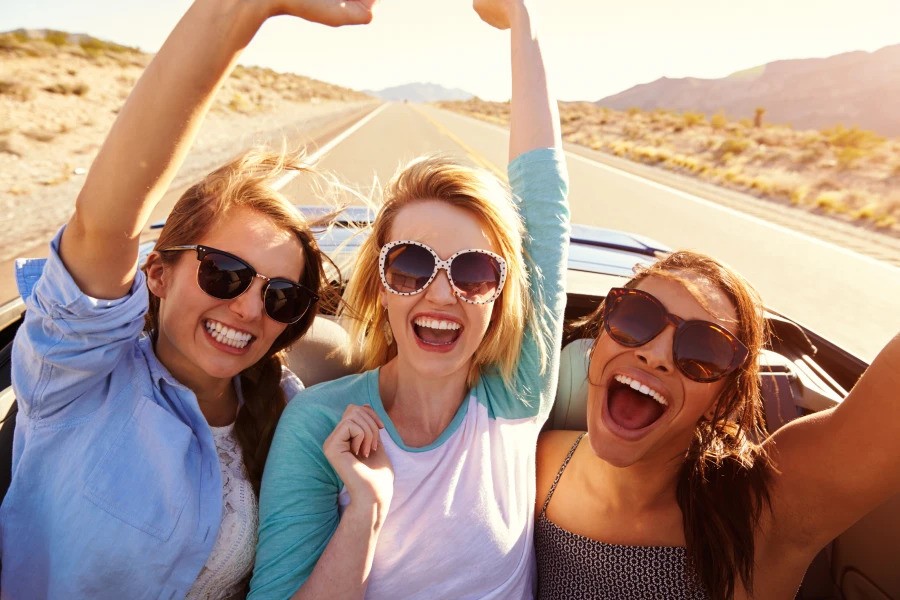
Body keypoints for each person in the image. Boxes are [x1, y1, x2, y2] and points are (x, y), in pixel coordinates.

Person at [0, 0, 374, 597]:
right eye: (225, 273)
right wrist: (236, 14)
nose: (249, 309)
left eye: (281, 296)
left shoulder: (289, 412)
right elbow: (103, 224)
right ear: (157, 273)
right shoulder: (76, 376)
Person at [248, 0, 568, 597]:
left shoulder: (515, 393)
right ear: (379, 283)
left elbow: (545, 210)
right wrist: (365, 511)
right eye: (412, 264)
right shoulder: (320, 425)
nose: (441, 293)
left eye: (473, 272)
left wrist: (523, 19)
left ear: (501, 295)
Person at [535, 250, 900, 599]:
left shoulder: (761, 511)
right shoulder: (533, 465)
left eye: (704, 350)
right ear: (597, 341)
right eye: (635, 317)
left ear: (722, 402)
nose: (656, 355)